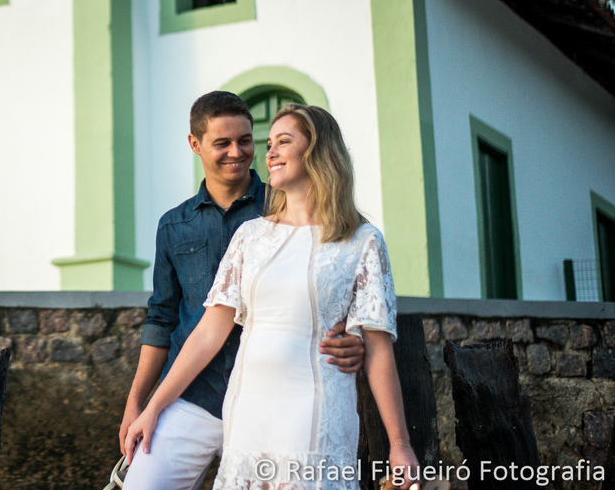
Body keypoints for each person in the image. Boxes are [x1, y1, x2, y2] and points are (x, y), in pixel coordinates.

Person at [123, 104, 420, 490]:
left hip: (312, 406)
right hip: (241, 405)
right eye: (269, 144)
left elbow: (378, 348)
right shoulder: (249, 235)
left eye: (283, 142)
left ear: (317, 150)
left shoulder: (362, 240)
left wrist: (400, 445)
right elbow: (205, 331)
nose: (269, 153)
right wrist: (151, 407)